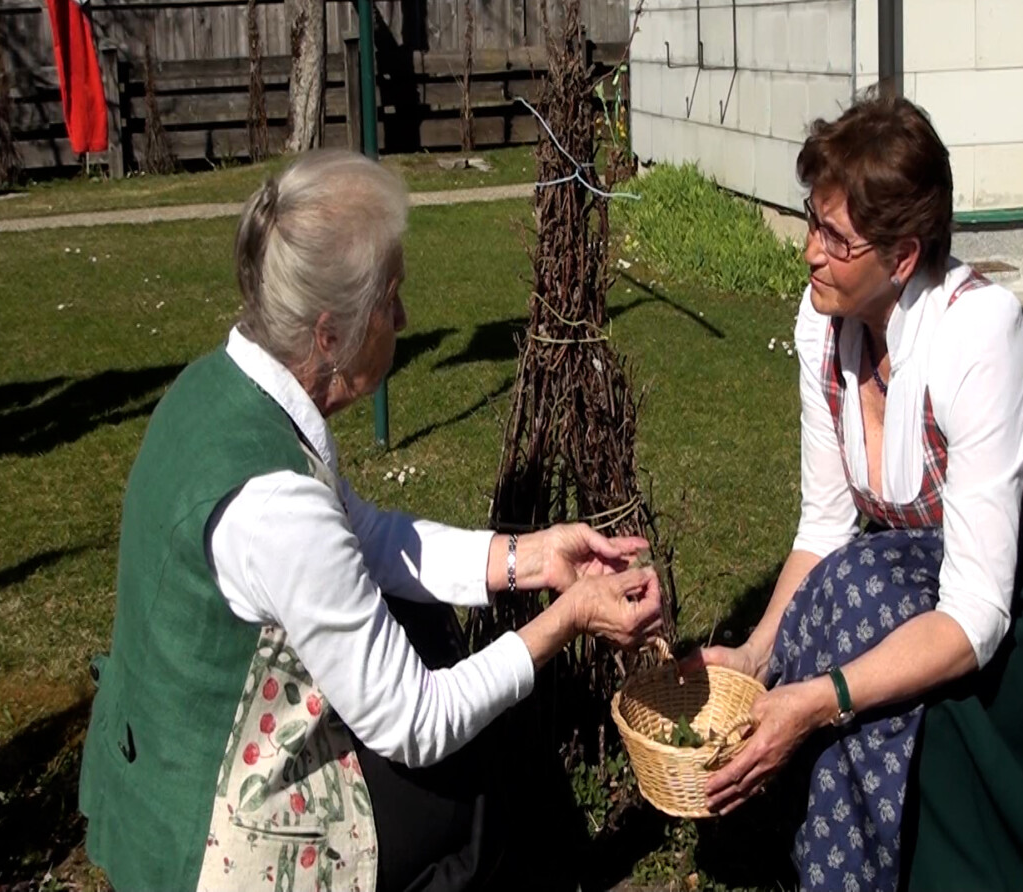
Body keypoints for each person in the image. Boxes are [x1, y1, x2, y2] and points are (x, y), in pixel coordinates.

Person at [78, 150, 663, 892]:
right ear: (329, 334)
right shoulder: (277, 505)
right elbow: (413, 723)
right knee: (473, 797)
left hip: (161, 758)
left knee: (432, 637)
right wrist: (565, 621)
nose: (405, 318)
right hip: (204, 834)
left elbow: (366, 535)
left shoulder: (220, 385)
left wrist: (536, 558)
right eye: (391, 299)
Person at [687, 91, 1023, 891]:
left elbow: (975, 615)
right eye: (813, 220)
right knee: (841, 597)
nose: (809, 253)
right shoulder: (824, 324)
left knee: (866, 632)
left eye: (835, 237)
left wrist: (820, 698)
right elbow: (826, 526)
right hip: (946, 565)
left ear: (902, 257)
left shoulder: (978, 337)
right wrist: (756, 662)